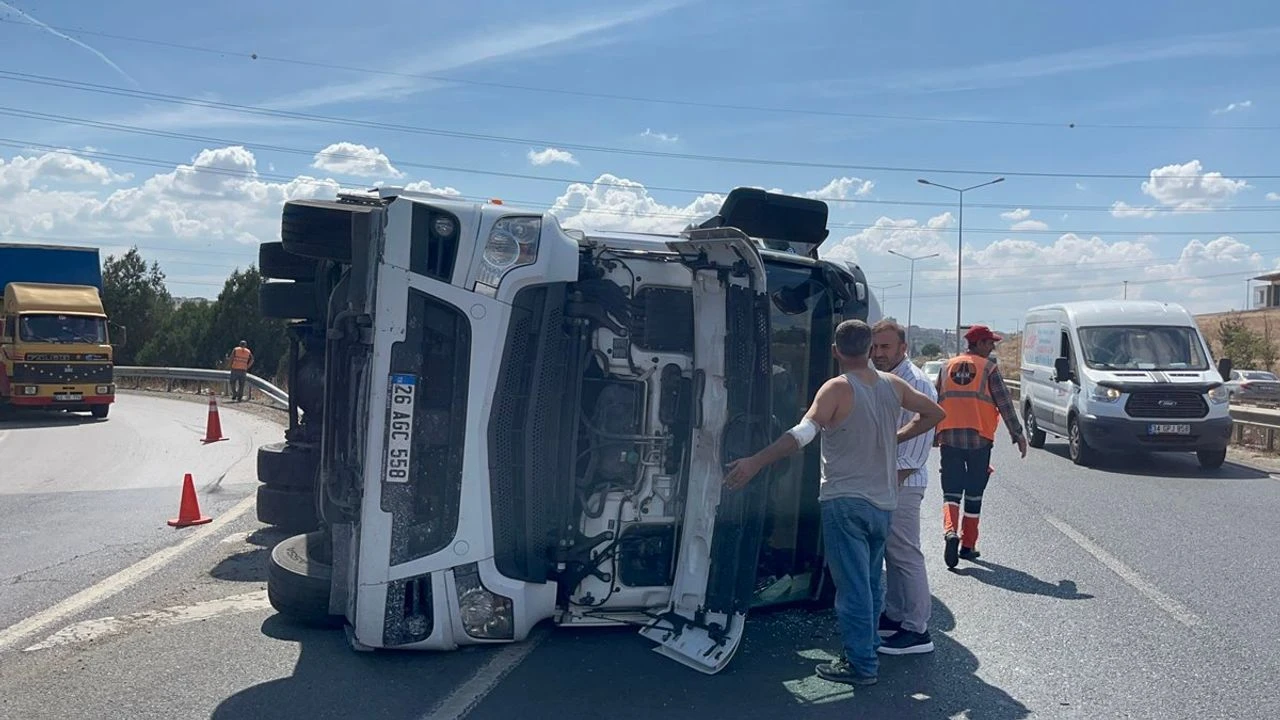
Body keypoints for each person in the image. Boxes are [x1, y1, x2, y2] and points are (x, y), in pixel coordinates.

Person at [723, 319, 945, 687]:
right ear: (869, 348)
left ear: (835, 351)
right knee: (871, 583)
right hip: (883, 505)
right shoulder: (894, 385)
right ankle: (869, 646)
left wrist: (755, 462)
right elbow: (936, 414)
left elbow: (802, 434)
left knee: (853, 588)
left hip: (846, 503)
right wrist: (896, 436)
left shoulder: (837, 389)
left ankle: (861, 665)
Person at [869, 319, 937, 656]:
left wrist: (884, 490)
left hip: (902, 484)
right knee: (893, 556)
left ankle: (917, 629)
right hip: (887, 482)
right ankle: (895, 615)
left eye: (885, 347)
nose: (878, 353)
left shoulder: (917, 384)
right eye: (875, 347)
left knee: (906, 555)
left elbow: (913, 453)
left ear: (902, 348)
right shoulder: (886, 379)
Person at [934, 325, 1027, 569]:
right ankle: (967, 545)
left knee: (951, 491)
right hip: (979, 439)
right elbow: (1005, 402)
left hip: (949, 436)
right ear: (978, 343)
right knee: (974, 493)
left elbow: (936, 401)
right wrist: (1017, 433)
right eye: (989, 342)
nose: (993, 347)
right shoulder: (989, 368)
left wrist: (934, 434)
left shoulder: (946, 366)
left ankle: (950, 532)